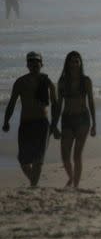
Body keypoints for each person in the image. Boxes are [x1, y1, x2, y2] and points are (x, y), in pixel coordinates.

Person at [2, 52, 57, 187]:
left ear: (41, 64)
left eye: (36, 62)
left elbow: (55, 105)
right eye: (31, 62)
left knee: (38, 159)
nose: (33, 64)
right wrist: (6, 121)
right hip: (26, 124)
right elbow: (12, 103)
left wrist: (55, 125)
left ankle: (33, 187)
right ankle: (34, 183)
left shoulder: (47, 82)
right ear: (27, 64)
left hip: (42, 124)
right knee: (23, 160)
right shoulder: (20, 82)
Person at [52, 51, 96, 188]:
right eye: (72, 61)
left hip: (83, 119)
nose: (74, 64)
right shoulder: (63, 82)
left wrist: (94, 124)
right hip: (67, 119)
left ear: (80, 63)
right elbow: (59, 105)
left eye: (77, 61)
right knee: (65, 156)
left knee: (77, 155)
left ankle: (75, 186)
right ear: (67, 63)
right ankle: (71, 177)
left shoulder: (86, 81)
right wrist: (54, 125)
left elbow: (91, 101)